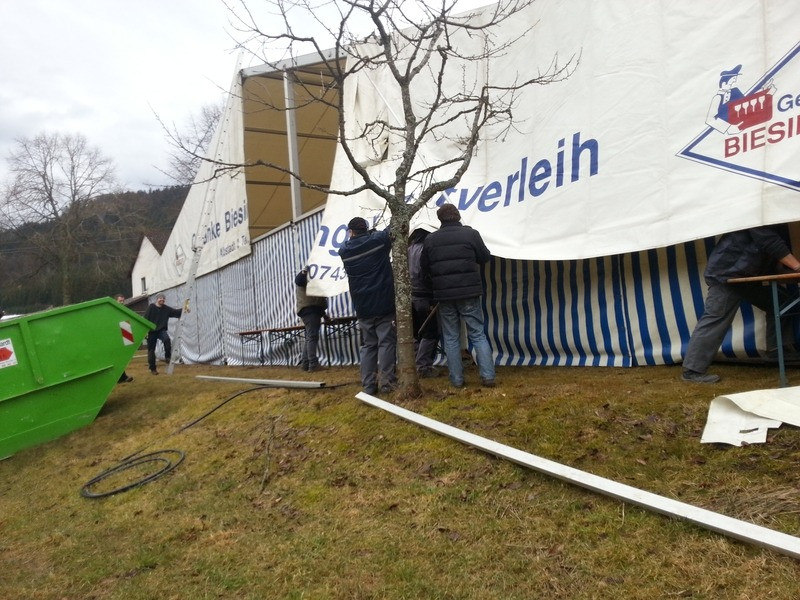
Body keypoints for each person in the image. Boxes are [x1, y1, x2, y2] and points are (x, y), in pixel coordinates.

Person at [682, 225, 800, 383]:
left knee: (780, 302)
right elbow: (769, 242)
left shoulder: (775, 221)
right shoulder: (756, 217)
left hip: (745, 276)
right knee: (716, 318)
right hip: (726, 275)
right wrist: (797, 267)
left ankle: (777, 351)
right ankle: (692, 371)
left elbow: (771, 251)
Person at [422, 203, 495, 388]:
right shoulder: (471, 234)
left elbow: (424, 267)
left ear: (440, 219)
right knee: (477, 334)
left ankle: (457, 380)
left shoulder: (430, 239)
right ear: (458, 216)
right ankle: (488, 376)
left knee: (451, 337)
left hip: (444, 295)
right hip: (469, 292)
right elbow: (485, 257)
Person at [338, 216, 397, 395]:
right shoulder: (378, 242)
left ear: (351, 232)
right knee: (386, 342)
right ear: (366, 229)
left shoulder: (345, 251)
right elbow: (391, 229)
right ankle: (387, 383)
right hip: (383, 301)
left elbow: (352, 244)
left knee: (368, 345)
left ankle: (369, 385)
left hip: (362, 305)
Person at [408, 228, 440, 377]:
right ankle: (423, 366)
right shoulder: (426, 249)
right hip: (424, 295)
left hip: (411, 296)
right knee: (430, 332)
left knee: (416, 332)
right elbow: (427, 274)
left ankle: (415, 364)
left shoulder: (408, 249)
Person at [295, 267, 328, 372]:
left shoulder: (314, 279)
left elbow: (318, 299)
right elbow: (299, 280)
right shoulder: (305, 275)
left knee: (309, 337)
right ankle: (313, 364)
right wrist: (305, 270)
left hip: (310, 310)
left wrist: (324, 314)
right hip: (310, 310)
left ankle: (305, 364)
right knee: (312, 337)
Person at [144, 293, 183, 375]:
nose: (162, 299)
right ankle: (153, 369)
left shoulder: (166, 309)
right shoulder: (151, 307)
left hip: (161, 330)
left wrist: (185, 308)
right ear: (157, 299)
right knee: (151, 350)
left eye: (163, 298)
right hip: (151, 331)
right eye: (160, 298)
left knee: (167, 340)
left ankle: (167, 357)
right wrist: (145, 331)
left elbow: (176, 312)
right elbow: (145, 319)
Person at [115, 294, 134, 383]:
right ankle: (122, 377)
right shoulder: (113, 311)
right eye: (120, 301)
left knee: (122, 358)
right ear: (115, 301)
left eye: (123, 301)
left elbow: (127, 324)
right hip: (115, 339)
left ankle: (122, 377)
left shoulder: (125, 311)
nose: (122, 302)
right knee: (117, 358)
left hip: (123, 338)